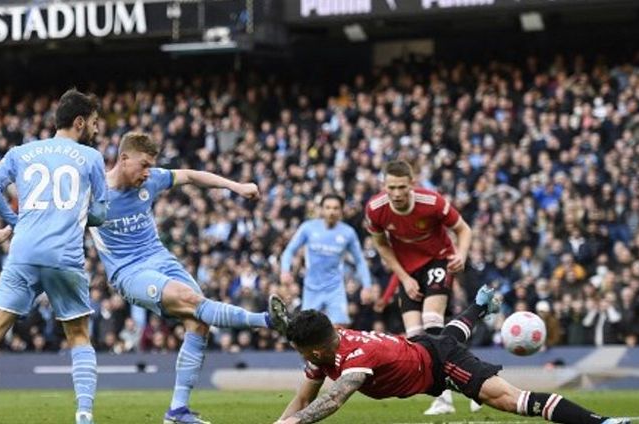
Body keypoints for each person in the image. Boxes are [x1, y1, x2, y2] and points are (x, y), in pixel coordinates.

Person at [88, 132, 287, 424]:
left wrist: (236, 186)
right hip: (128, 272)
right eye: (143, 165)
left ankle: (177, 411)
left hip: (162, 259)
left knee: (198, 321)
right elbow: (52, 217)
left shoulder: (153, 179)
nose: (148, 172)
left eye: (150, 166)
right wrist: (10, 231)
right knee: (193, 301)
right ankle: (267, 321)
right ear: (123, 158)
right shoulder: (93, 192)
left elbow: (192, 176)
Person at [0, 89, 107, 424]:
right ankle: (85, 415)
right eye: (93, 123)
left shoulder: (22, 152)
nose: (96, 130)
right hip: (64, 256)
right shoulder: (91, 158)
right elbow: (101, 215)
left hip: (23, 254)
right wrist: (73, 214)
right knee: (78, 336)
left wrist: (17, 223)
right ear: (79, 123)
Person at [272, 286, 631, 424]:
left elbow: (332, 401)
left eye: (299, 349)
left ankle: (602, 423)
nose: (299, 354)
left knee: (512, 402)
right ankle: (477, 307)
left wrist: (295, 423)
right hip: (427, 347)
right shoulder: (325, 348)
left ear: (316, 348)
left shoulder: (355, 358)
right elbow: (303, 398)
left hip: (441, 366)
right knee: (449, 335)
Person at [364, 159, 474, 415]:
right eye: (391, 187)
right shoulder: (375, 209)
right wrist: (403, 278)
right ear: (384, 185)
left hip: (439, 259)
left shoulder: (432, 202)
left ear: (412, 184)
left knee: (432, 319)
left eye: (402, 187)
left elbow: (463, 229)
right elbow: (381, 245)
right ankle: (449, 391)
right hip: (408, 271)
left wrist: (462, 254)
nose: (397, 193)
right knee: (415, 337)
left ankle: (460, 387)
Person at [280, 194, 372, 326]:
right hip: (312, 288)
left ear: (341, 211)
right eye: (328, 208)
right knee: (307, 331)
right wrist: (285, 271)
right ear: (322, 209)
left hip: (334, 288)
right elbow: (289, 251)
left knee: (339, 330)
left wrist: (367, 286)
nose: (331, 212)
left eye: (335, 208)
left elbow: (360, 261)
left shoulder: (347, 233)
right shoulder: (308, 228)